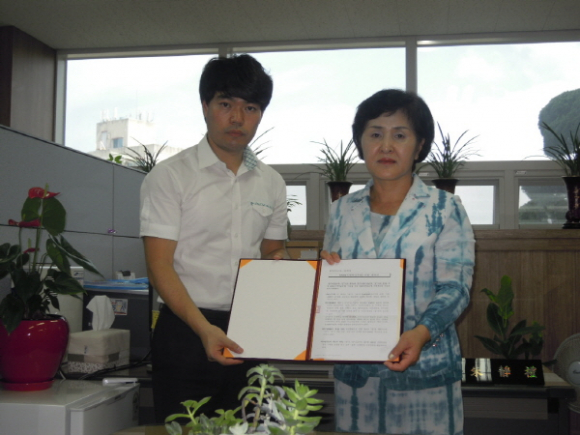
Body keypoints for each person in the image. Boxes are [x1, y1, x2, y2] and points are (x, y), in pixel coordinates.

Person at [139, 54, 289, 423]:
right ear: (205, 106)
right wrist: (205, 329)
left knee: (252, 428)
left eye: (250, 108)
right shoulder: (170, 176)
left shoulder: (272, 182)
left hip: (250, 330)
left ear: (261, 114)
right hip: (184, 330)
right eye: (226, 104)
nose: (237, 118)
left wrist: (290, 279)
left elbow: (273, 251)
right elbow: (159, 266)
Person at [321, 89, 475, 435]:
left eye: (400, 135)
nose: (386, 146)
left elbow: (455, 289)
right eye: (375, 134)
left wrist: (421, 334)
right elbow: (332, 286)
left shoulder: (445, 208)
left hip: (426, 375)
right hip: (357, 380)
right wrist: (323, 275)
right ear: (361, 143)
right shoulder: (342, 210)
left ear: (419, 146)